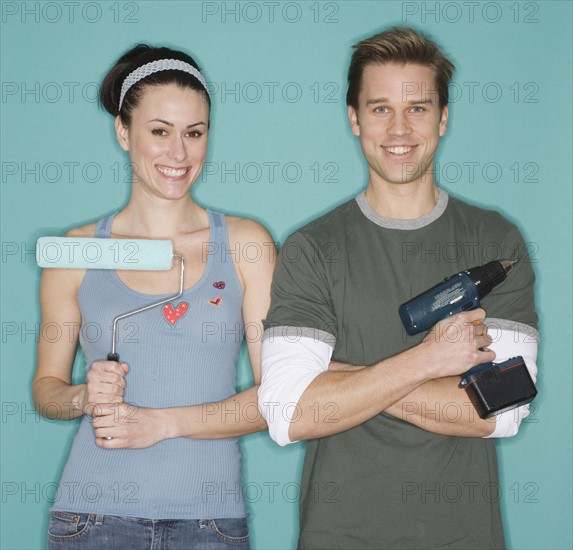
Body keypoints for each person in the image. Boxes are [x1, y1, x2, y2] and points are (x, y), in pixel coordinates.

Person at [258, 26, 538, 549]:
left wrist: (345, 380)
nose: (399, 128)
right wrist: (425, 362)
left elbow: (501, 412)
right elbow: (289, 412)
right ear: (354, 118)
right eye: (381, 108)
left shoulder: (496, 241)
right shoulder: (312, 249)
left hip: (465, 537)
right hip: (338, 536)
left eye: (418, 107)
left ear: (443, 118)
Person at [33, 45, 275, 549]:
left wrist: (160, 424)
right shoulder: (77, 251)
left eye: (194, 133)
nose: (179, 154)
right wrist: (82, 396)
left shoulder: (245, 245)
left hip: (211, 524)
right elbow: (46, 390)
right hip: (91, 520)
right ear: (124, 132)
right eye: (159, 131)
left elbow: (276, 399)